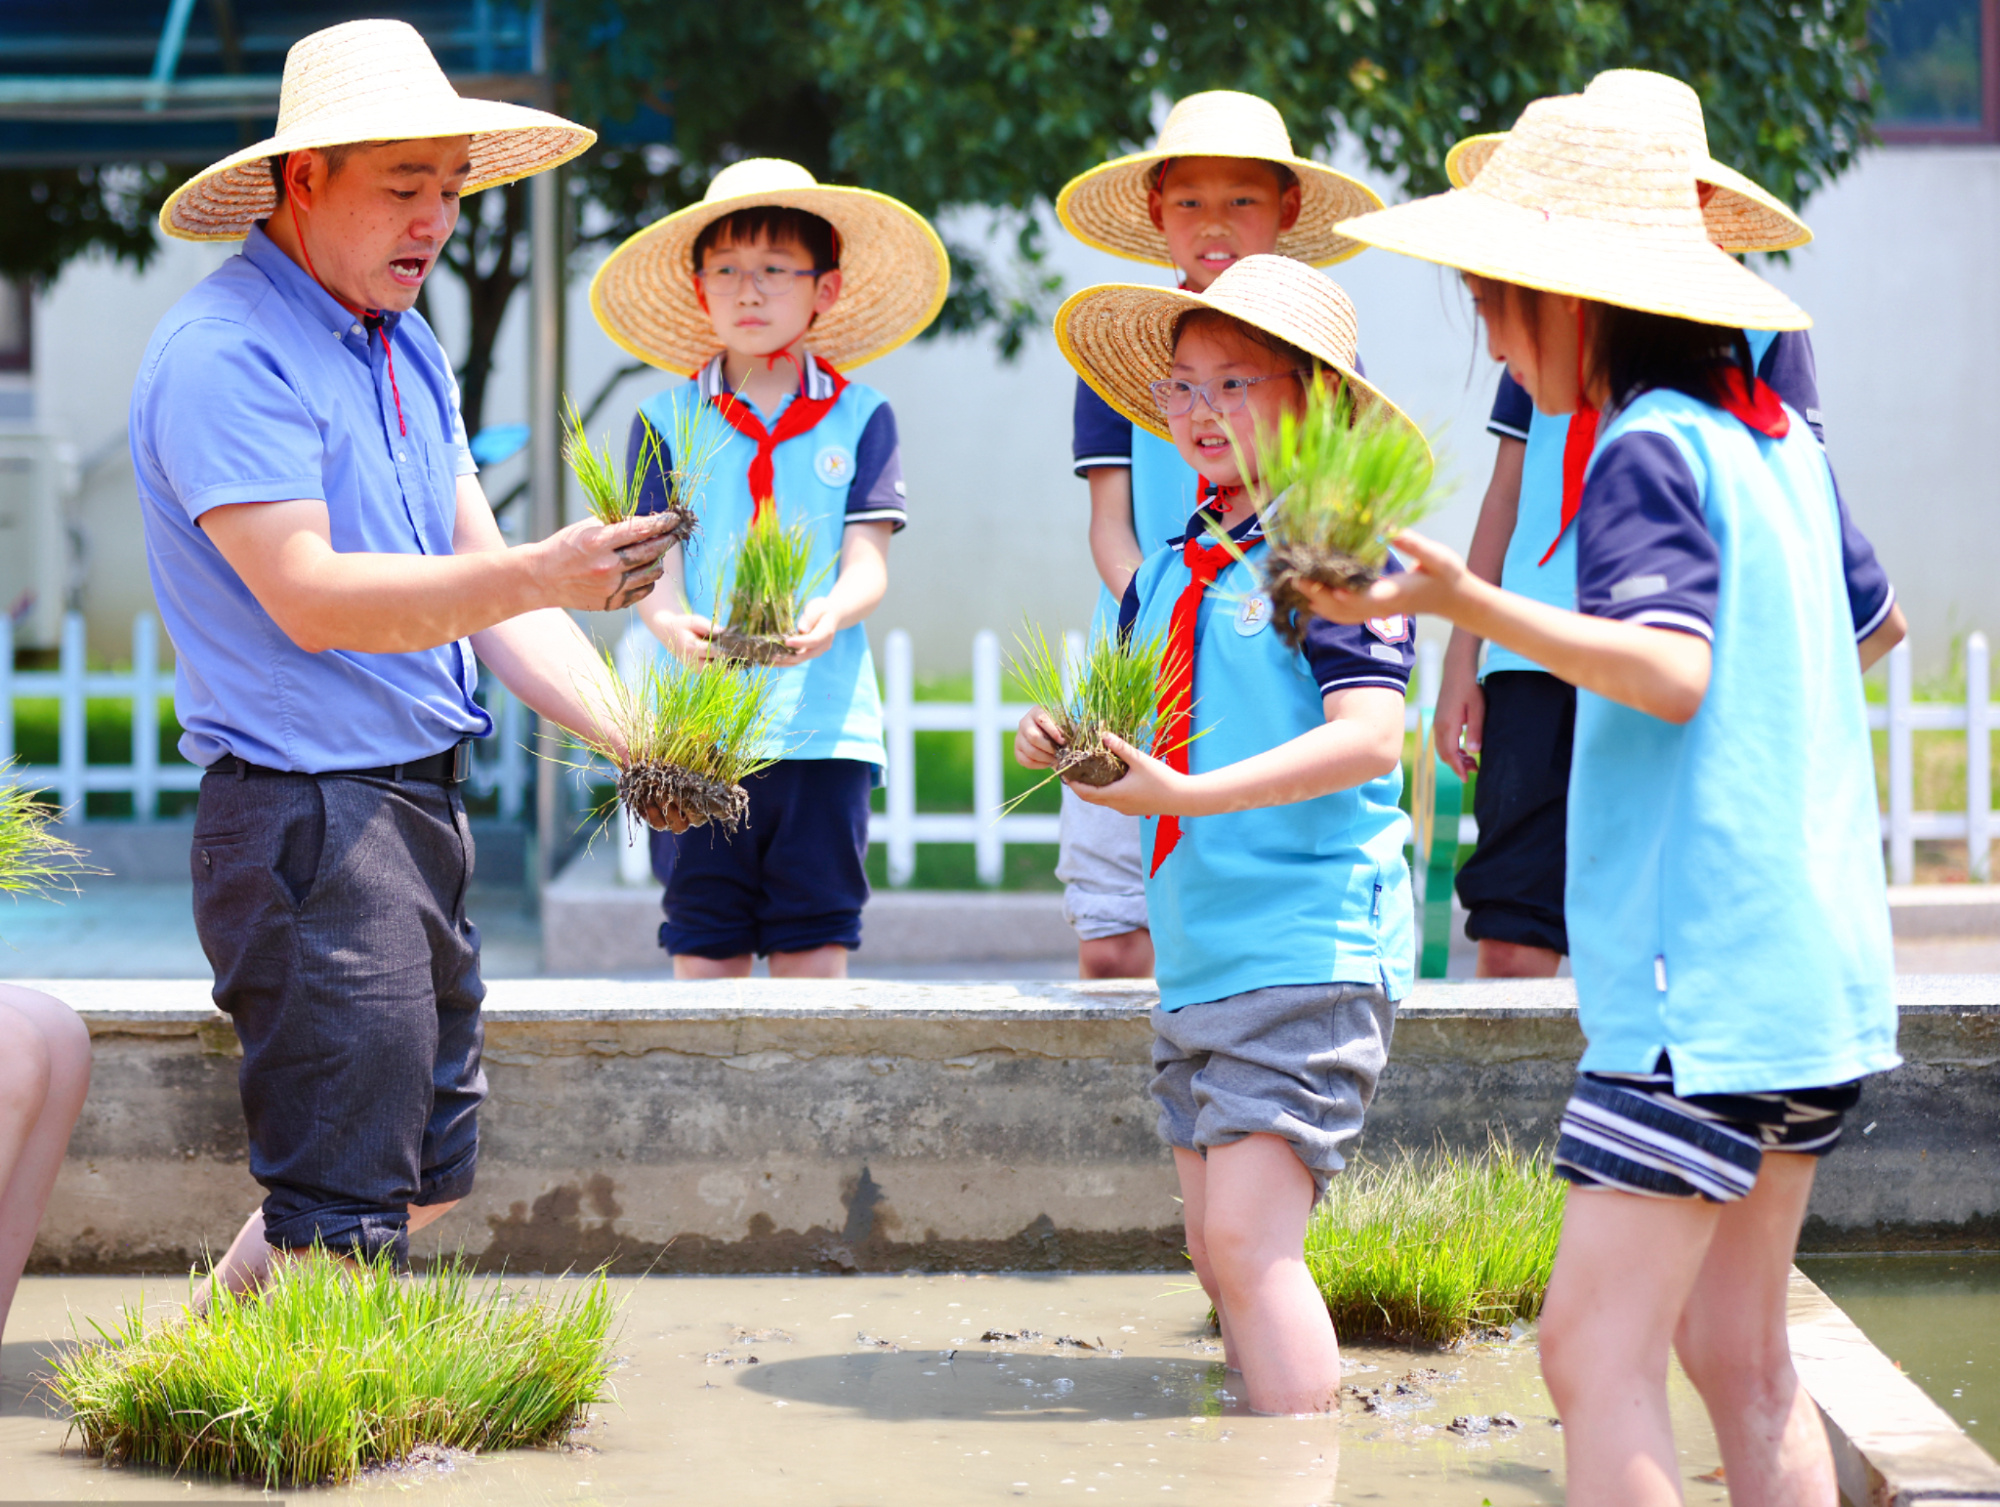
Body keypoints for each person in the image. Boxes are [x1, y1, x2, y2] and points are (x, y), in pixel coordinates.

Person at [1319, 95, 1904, 1504]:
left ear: (1569, 300)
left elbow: (1672, 669)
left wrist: (1473, 598)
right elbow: (1876, 624)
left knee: (1590, 1350)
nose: (1491, 334)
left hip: (1688, 988)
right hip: (1809, 981)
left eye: (1493, 304)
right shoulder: (1779, 445)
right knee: (1741, 1351)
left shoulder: (1648, 446)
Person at [132, 20, 669, 1288]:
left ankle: (201, 1360)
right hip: (307, 819)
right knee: (345, 1195)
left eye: (449, 188)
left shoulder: (401, 341)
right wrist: (542, 567)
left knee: (422, 1170)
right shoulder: (229, 354)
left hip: (414, 804)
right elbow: (310, 596)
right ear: (302, 180)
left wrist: (643, 742)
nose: (434, 221)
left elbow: (484, 593)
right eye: (401, 187)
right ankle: (310, 1454)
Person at [1024, 255, 1417, 1414]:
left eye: (1233, 384)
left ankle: (1304, 1466)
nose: (1196, 411)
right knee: (1214, 1252)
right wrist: (1071, 738)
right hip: (1199, 950)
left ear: (1316, 401)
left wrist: (1185, 800)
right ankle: (1256, 1448)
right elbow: (1148, 721)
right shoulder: (1173, 559)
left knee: (1250, 1248)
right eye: (1182, 387)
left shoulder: (1332, 542)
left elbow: (1369, 738)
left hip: (1304, 941)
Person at [1432, 69, 1904, 979]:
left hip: (1665, 652)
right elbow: (1506, 486)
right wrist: (1466, 646)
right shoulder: (1545, 325)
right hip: (1536, 648)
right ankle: (1524, 1112)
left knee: (1657, 921)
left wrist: (1757, 707)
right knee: (1520, 905)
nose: (1495, 341)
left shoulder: (1710, 385)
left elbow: (1839, 587)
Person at [1049, 91, 1383, 979]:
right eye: (1190, 201)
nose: (1215, 223)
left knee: (1249, 889)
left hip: (1261, 641)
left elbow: (1340, 510)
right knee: (1115, 929)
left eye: (1242, 199)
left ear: (1289, 209)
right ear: (1157, 213)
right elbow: (1110, 526)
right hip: (1142, 638)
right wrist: (1154, 619)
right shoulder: (1127, 343)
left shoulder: (1321, 350)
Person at [590, 159, 948, 978]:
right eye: (728, 271)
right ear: (698, 287)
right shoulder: (664, 419)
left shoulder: (864, 416)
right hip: (697, 729)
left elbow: (868, 563)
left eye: (775, 271)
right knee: (704, 944)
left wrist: (830, 614)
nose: (749, 292)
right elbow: (654, 564)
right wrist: (668, 624)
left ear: (824, 290)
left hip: (824, 730)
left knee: (814, 949)